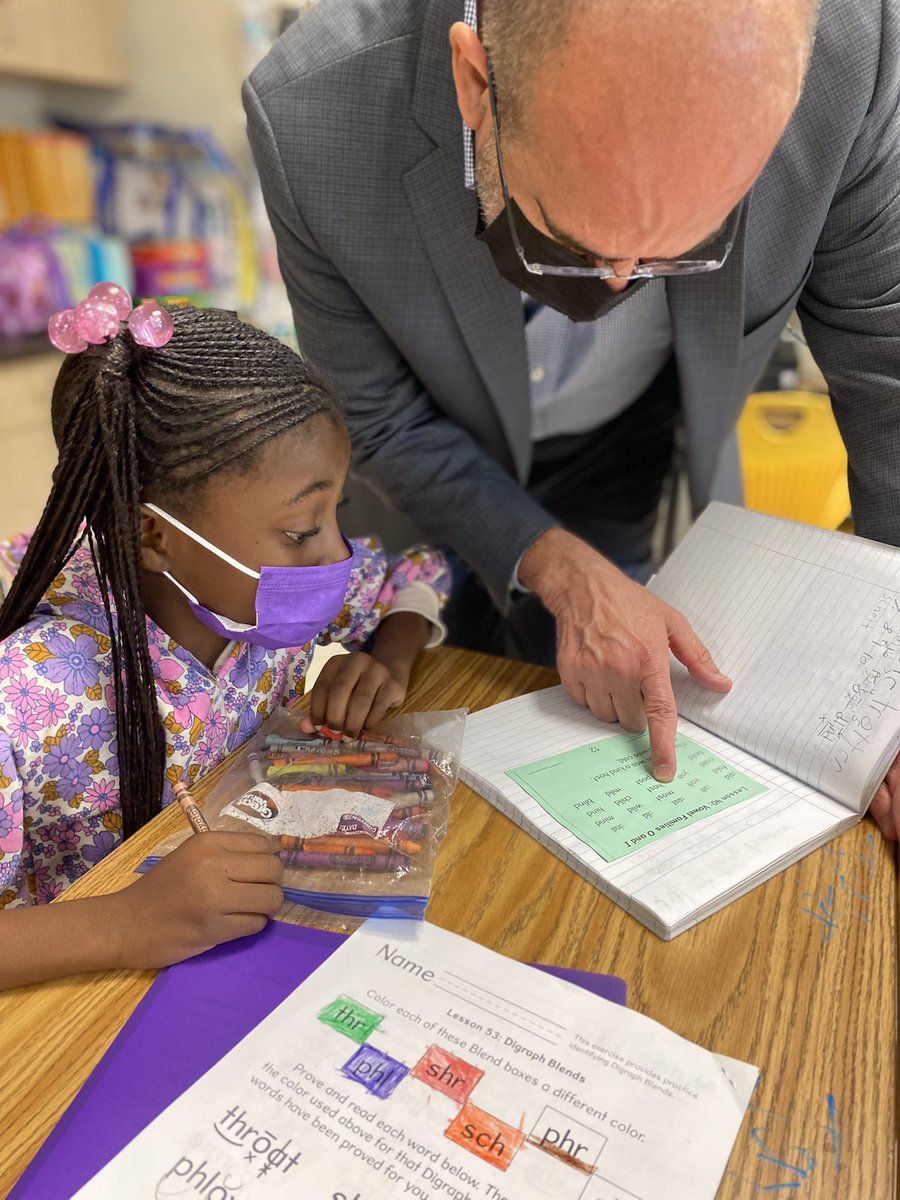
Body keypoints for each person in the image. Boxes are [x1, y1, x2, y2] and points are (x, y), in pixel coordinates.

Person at [243, 0, 900, 801]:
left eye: (682, 250)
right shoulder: (312, 112)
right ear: (476, 81)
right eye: (577, 242)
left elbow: (889, 372)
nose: (622, 285)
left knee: (590, 716)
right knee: (434, 694)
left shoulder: (855, 55)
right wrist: (558, 568)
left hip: (627, 437)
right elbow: (379, 416)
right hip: (431, 455)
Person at [0, 296, 449, 990]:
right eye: (301, 532)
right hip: (78, 1004)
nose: (337, 554)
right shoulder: (27, 694)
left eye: (339, 514)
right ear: (155, 537)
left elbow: (415, 578)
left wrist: (386, 656)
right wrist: (123, 923)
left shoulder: (254, 606)